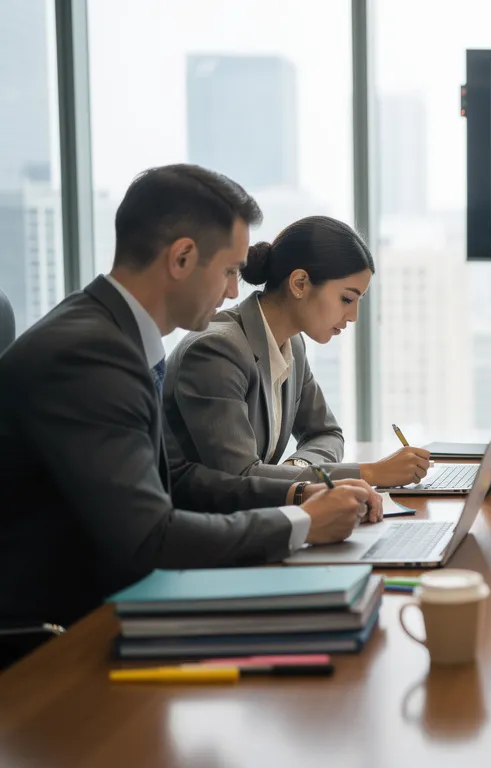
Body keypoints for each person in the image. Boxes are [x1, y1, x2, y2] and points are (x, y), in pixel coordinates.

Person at [0, 165, 381, 634]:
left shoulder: (116, 335)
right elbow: (149, 538)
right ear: (181, 258)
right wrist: (299, 523)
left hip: (109, 596)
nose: (234, 290)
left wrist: (297, 496)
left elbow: (179, 480)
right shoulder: (89, 355)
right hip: (57, 630)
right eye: (229, 271)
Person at [163, 215, 431, 487]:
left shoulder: (292, 345)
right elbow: (239, 477)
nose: (353, 316)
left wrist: (298, 467)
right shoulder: (216, 351)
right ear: (299, 283)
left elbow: (326, 434)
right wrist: (370, 473)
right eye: (346, 299)